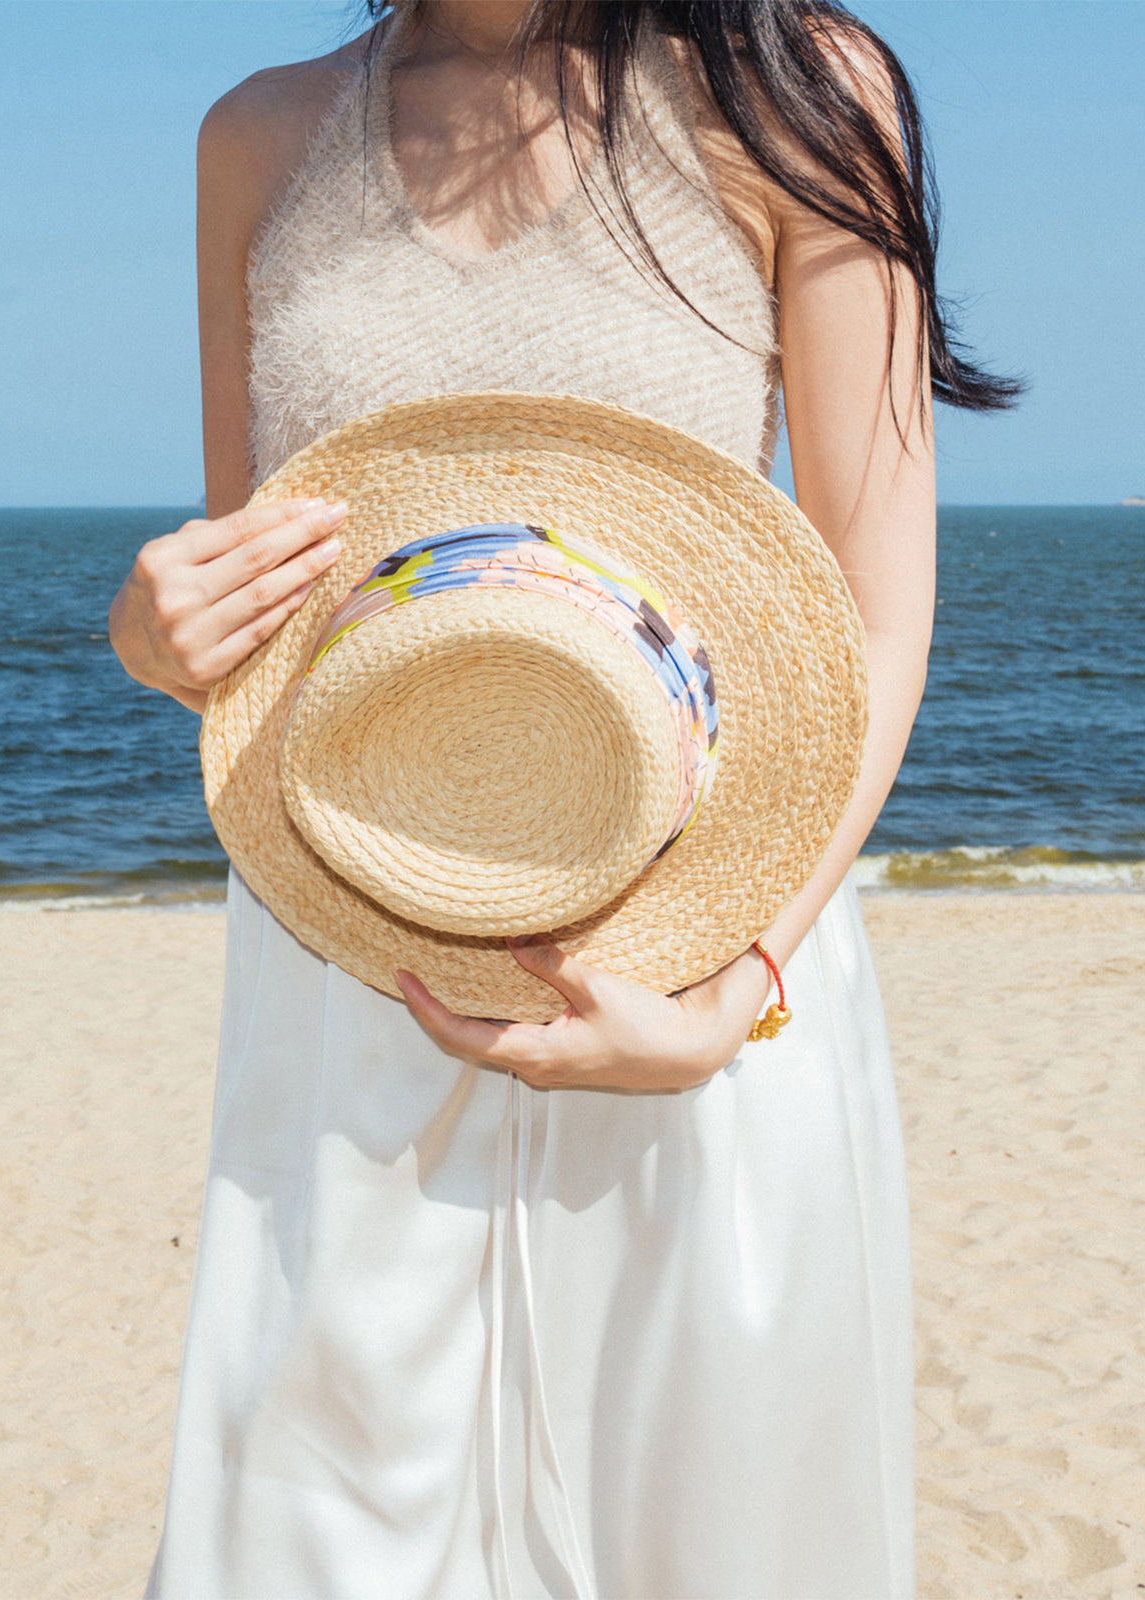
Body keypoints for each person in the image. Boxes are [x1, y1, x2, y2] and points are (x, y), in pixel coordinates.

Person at [110, 2, 1013, 1594]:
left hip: (701, 963)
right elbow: (259, 588)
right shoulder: (261, 138)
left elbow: (875, 618)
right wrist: (153, 636)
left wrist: (737, 993)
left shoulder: (797, 90)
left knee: (713, 1542)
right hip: (351, 971)